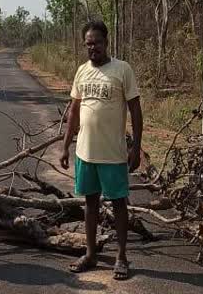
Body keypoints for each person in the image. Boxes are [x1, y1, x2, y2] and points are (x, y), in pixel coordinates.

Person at [60, 20, 144, 281]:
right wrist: (65, 146)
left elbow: (136, 110)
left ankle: (121, 257)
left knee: (119, 203)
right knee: (90, 203)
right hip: (86, 152)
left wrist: (136, 147)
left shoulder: (122, 70)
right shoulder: (82, 71)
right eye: (88, 44)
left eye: (96, 42)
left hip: (113, 153)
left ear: (106, 42)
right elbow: (74, 111)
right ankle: (90, 253)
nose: (92, 47)